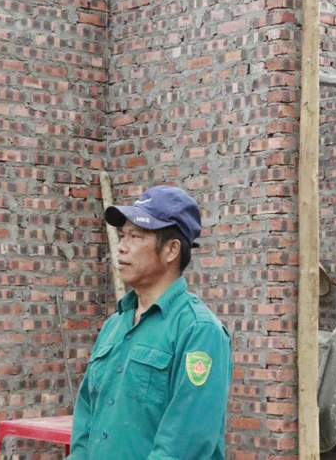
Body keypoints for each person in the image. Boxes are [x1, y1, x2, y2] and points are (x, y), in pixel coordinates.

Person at [67, 185, 232, 460]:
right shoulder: (113, 327)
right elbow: (86, 420)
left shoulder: (198, 332)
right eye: (122, 235)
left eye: (135, 236)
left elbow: (181, 447)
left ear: (170, 250)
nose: (121, 246)